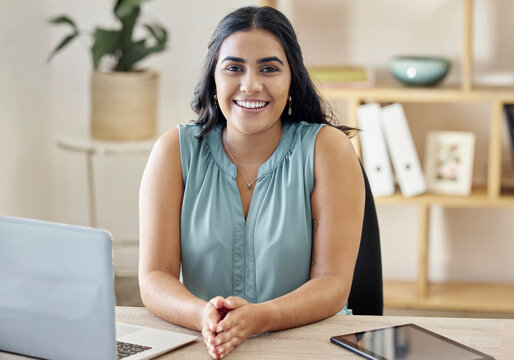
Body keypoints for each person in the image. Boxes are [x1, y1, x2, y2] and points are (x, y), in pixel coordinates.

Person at [138, 6, 365, 359]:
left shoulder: (327, 149)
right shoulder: (173, 151)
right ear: (213, 78)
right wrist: (203, 315)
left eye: (269, 68)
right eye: (234, 68)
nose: (251, 85)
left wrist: (259, 318)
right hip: (209, 343)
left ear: (292, 79)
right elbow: (154, 277)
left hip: (311, 346)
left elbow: (333, 283)